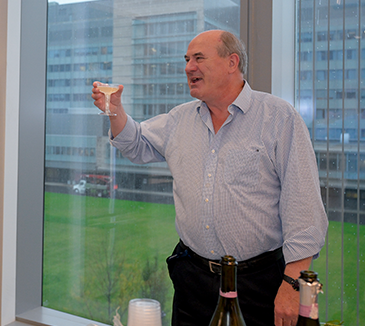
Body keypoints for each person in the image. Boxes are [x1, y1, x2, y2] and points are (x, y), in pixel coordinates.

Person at [91, 30, 328, 326]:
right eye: (187, 60)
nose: (189, 67)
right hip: (193, 281)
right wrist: (114, 111)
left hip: (257, 285)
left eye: (199, 58)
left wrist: (292, 285)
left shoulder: (279, 118)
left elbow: (303, 209)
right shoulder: (179, 119)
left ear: (232, 62)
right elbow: (136, 144)